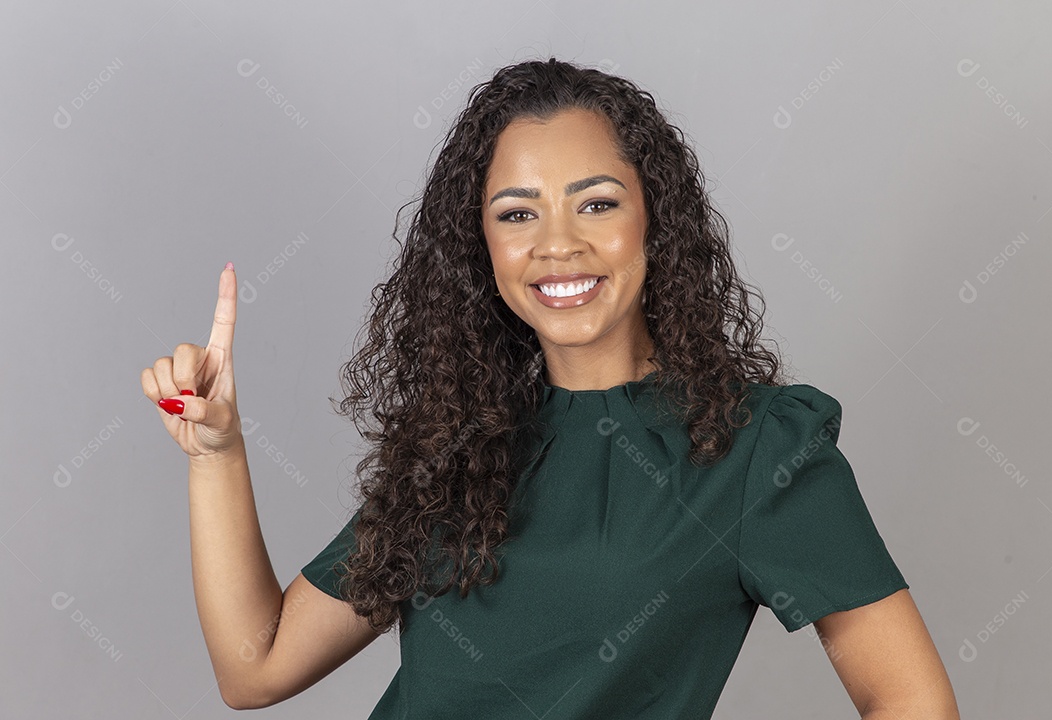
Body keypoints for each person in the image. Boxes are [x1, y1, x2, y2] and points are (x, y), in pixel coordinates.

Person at [140, 58, 961, 718]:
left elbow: (912, 700)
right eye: (517, 213)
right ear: (482, 246)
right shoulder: (458, 447)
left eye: (596, 204)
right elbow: (255, 669)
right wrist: (216, 453)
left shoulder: (754, 449)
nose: (557, 245)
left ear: (654, 220)